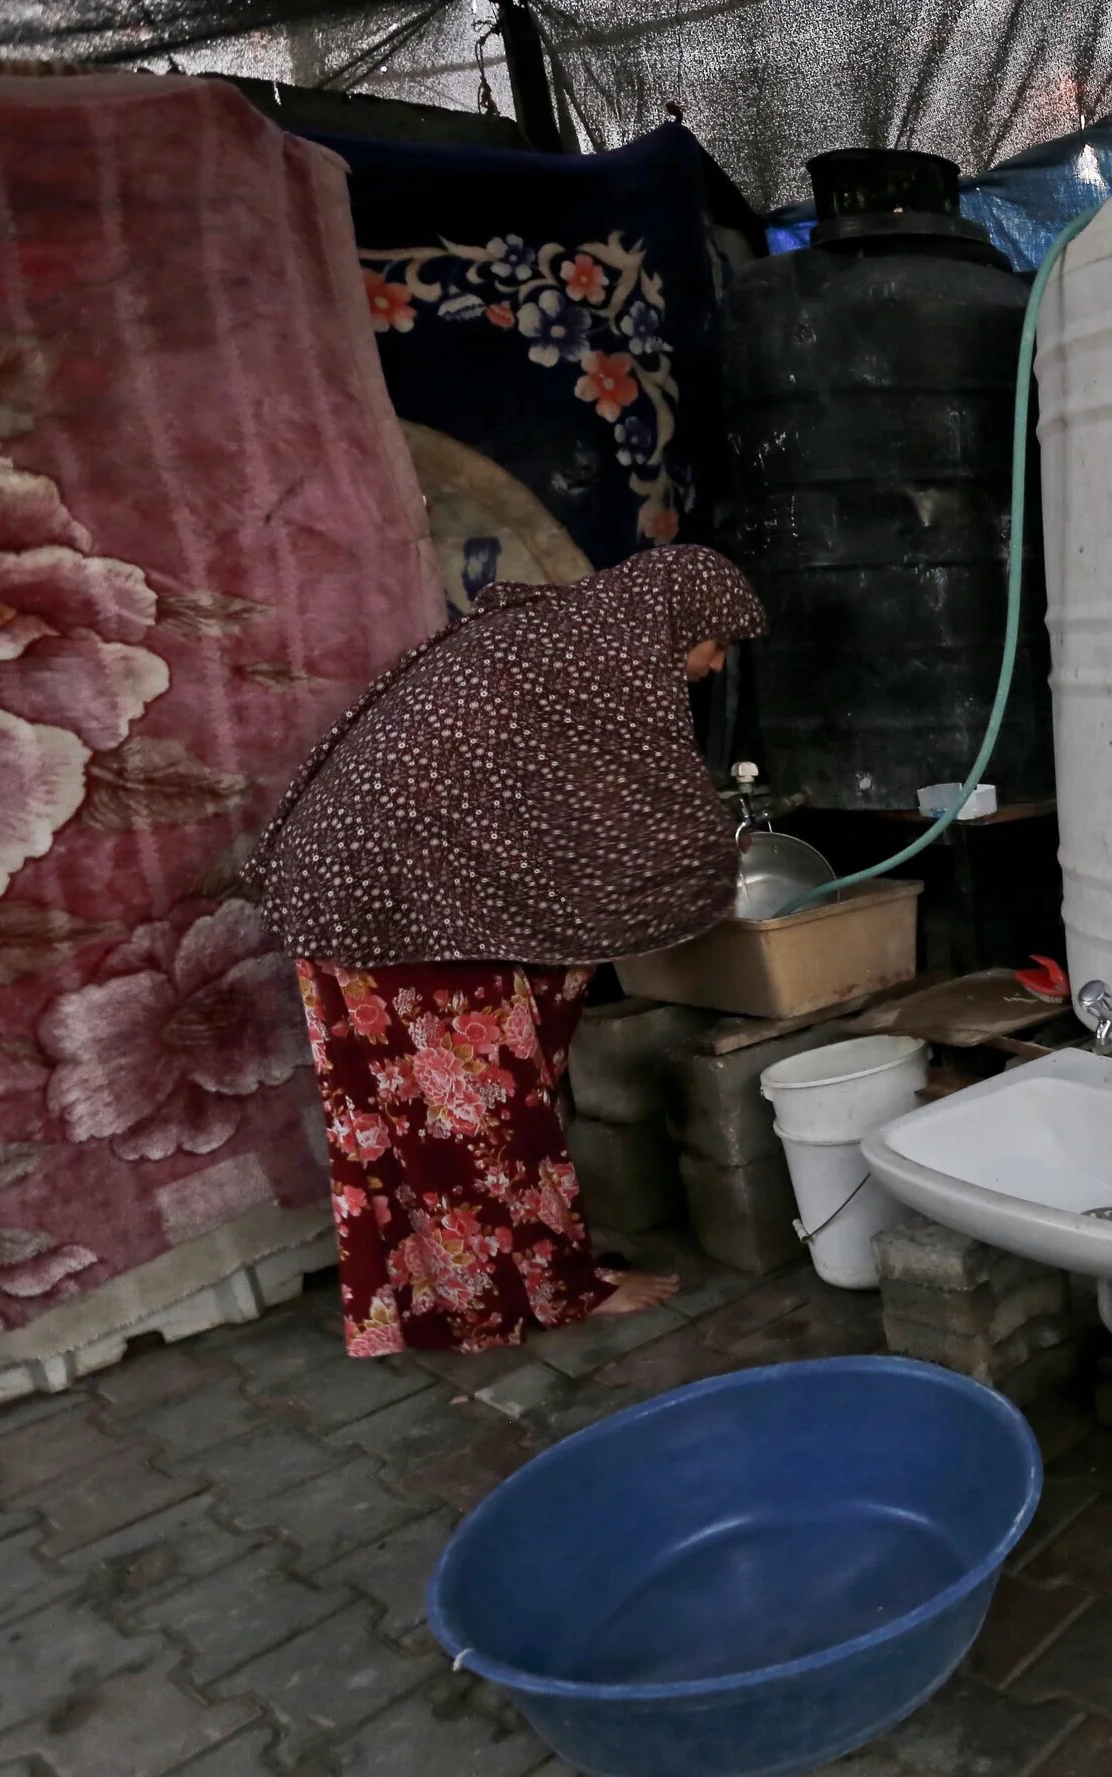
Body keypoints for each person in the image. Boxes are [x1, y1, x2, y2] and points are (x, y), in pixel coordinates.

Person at [246, 545, 766, 1357]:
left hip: (347, 881)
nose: (716, 664)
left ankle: (446, 1296)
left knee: (413, 1118)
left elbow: (559, 805)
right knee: (484, 1111)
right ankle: (553, 1290)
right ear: (676, 624)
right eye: (717, 642)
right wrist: (711, 864)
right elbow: (635, 813)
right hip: (401, 895)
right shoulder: (607, 660)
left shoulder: (558, 632)